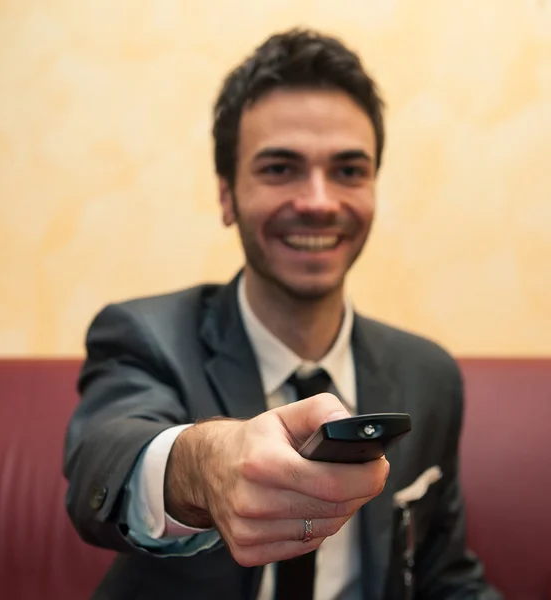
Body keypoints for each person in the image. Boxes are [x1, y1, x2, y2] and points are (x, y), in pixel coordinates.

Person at [63, 28, 501, 600]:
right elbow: (104, 463)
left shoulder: (429, 374)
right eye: (279, 168)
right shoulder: (146, 336)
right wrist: (207, 465)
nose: (319, 202)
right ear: (226, 195)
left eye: (348, 170)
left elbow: (444, 577)